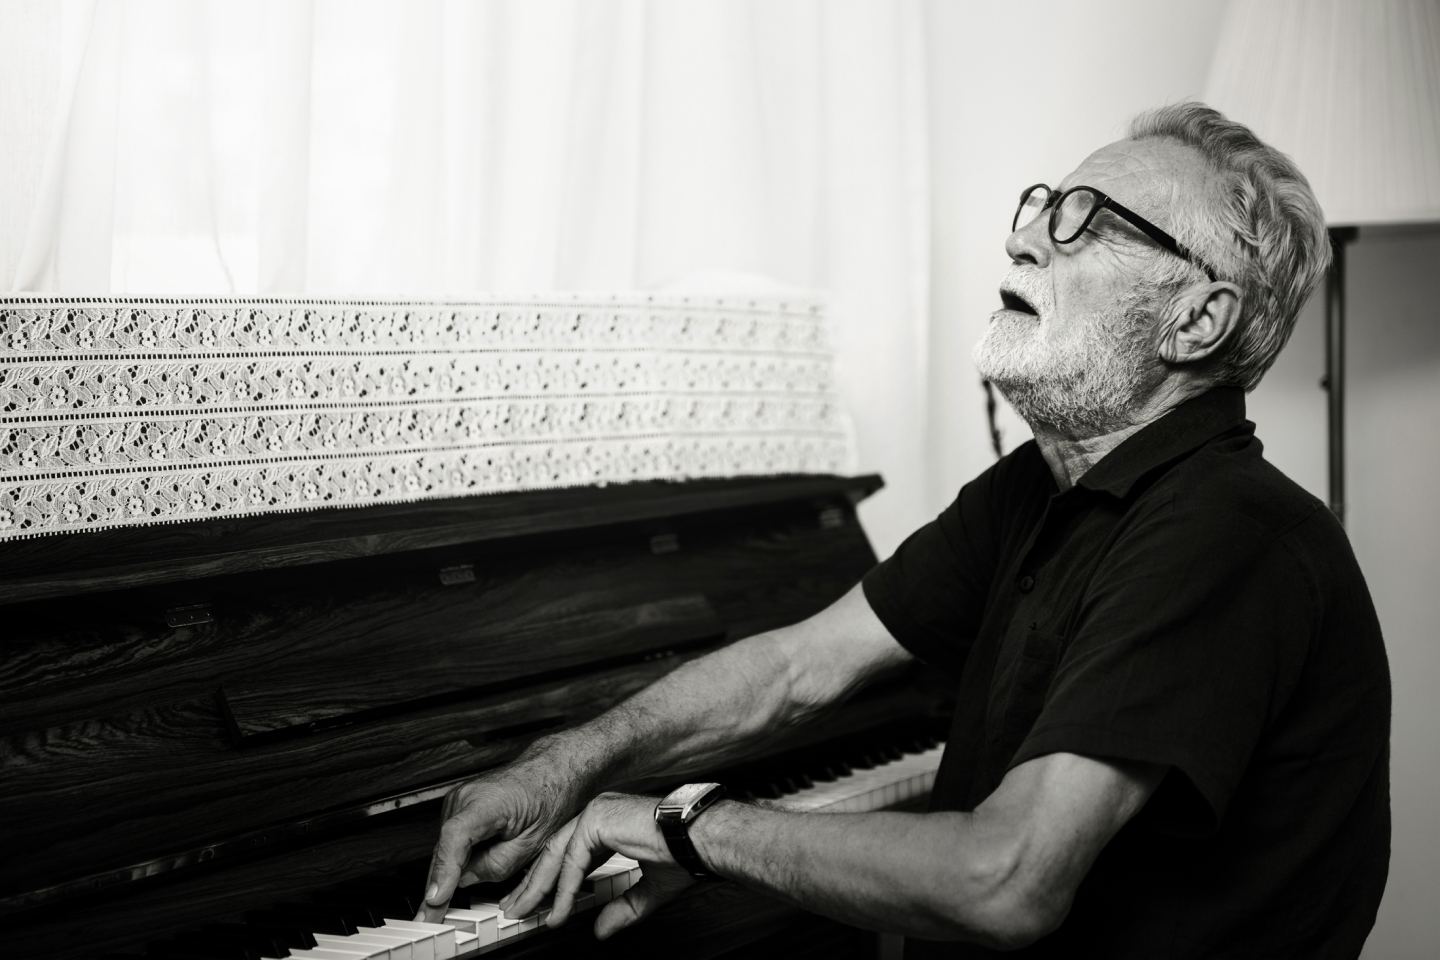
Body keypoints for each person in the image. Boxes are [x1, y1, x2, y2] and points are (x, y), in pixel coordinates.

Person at [415, 102, 1391, 958]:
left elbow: (1006, 881)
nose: (1022, 244)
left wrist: (682, 829)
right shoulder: (1043, 486)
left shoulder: (1230, 532)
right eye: (1039, 208)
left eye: (1085, 224)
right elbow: (797, 670)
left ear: (1196, 321)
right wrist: (563, 764)